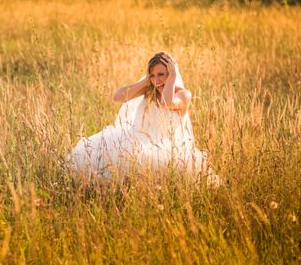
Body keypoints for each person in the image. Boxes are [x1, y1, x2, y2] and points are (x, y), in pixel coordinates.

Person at [67, 52, 220, 186]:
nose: (157, 80)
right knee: (105, 152)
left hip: (165, 146)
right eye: (152, 75)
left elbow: (167, 102)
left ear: (171, 73)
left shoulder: (183, 95)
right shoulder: (149, 90)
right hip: (137, 139)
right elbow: (118, 97)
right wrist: (145, 82)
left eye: (161, 74)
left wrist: (172, 76)